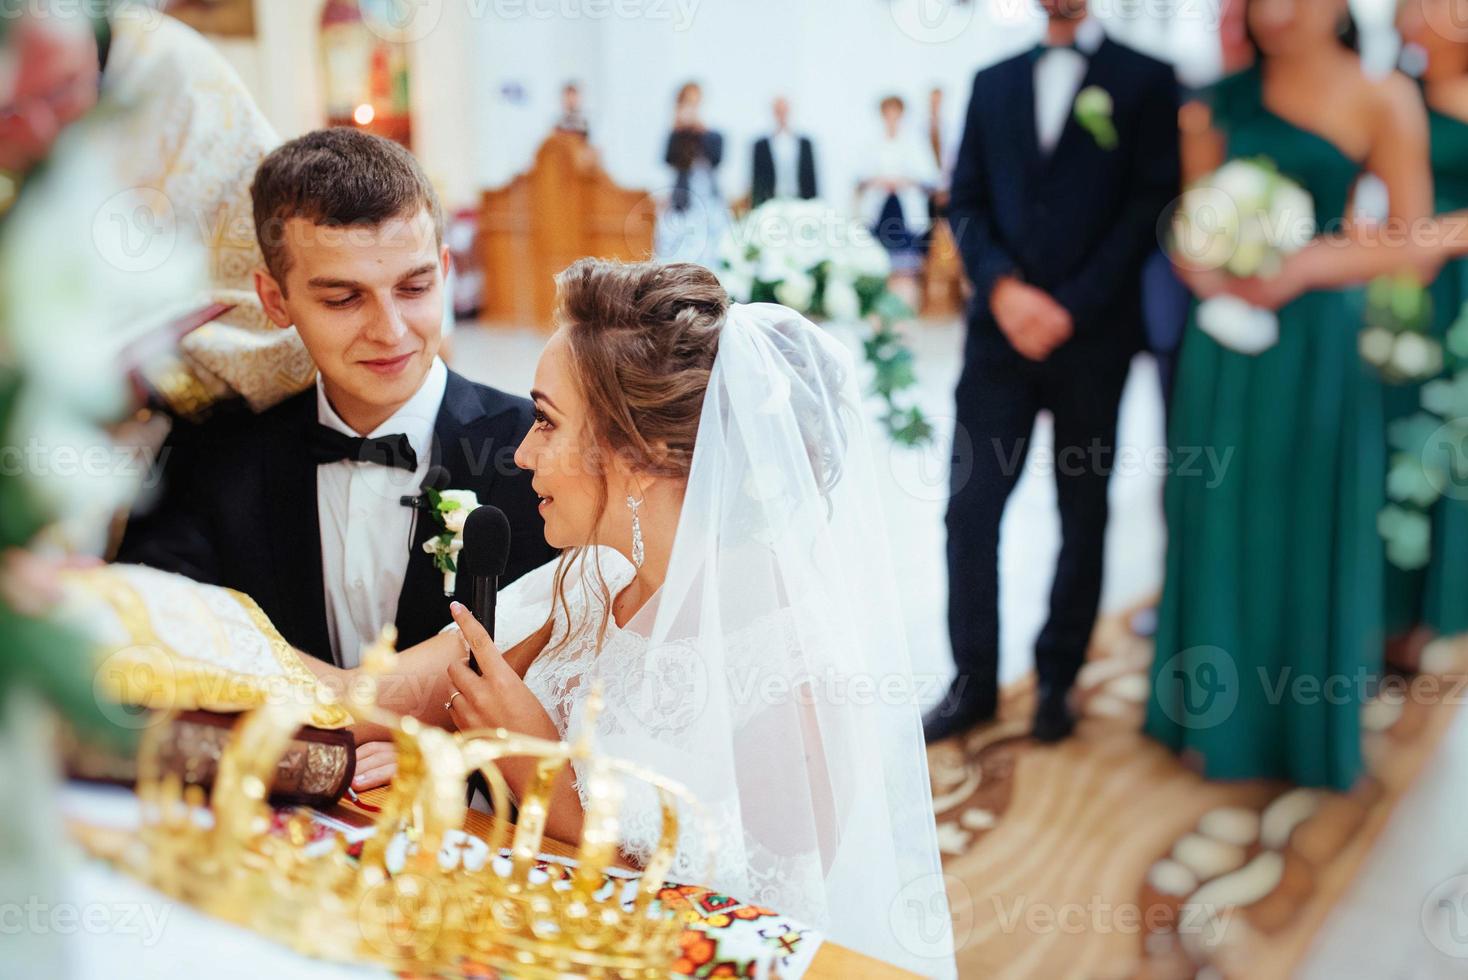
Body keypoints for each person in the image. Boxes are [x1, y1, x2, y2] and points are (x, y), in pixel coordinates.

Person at [308, 260, 955, 976]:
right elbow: (362, 696)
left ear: (641, 455)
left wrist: (531, 763)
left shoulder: (796, 672)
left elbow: (746, 938)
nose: (522, 454)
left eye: (547, 423)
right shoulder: (588, 577)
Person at [117, 128, 556, 667]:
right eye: (344, 299)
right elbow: (155, 624)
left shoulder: (536, 454)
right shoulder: (214, 454)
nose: (391, 331)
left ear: (444, 272)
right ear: (276, 301)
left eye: (414, 288)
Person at [1146, 0, 1432, 789]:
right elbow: (1189, 215)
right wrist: (1202, 262)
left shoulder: (1383, 96)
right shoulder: (1218, 99)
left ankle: (1300, 726)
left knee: (1304, 512)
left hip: (1316, 346)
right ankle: (1210, 716)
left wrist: (1303, 267)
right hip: (1227, 344)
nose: (1275, 12)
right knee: (1219, 510)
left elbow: (1413, 239)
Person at [926, 0, 1180, 743]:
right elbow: (965, 199)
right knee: (969, 512)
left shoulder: (1145, 79)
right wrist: (1003, 289)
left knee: (1083, 510)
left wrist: (1068, 306)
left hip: (1092, 337)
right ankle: (972, 683)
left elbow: (1150, 207)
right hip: (997, 339)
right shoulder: (993, 79)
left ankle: (1058, 680)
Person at [1, 7, 313, 417]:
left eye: (63, 91)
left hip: (203, 426)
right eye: (8, 113)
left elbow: (280, 311)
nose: (40, 132)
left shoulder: (177, 82)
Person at [1383, 0, 1468, 651]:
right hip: (1401, 284)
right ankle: (1390, 605)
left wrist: (1438, 235)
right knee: (1397, 429)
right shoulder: (1393, 90)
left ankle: (1445, 604)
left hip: (1458, 282)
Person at [856, 95, 939, 305]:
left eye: (895, 112)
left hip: (904, 209)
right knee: (879, 263)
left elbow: (930, 176)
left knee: (906, 265)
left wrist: (904, 181)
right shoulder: (871, 141)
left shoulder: (913, 140)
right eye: (887, 112)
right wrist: (879, 181)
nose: (891, 116)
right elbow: (859, 175)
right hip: (880, 209)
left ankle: (905, 307)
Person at [656, 81, 730, 267]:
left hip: (710, 201)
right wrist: (681, 131)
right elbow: (671, 160)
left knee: (714, 251)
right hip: (684, 203)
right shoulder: (677, 135)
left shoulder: (712, 134)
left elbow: (717, 158)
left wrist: (699, 129)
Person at [751, 95, 818, 208]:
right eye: (778, 111)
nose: (781, 115)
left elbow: (811, 178)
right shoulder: (760, 146)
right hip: (770, 204)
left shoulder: (805, 144)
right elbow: (757, 181)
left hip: (801, 202)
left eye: (784, 110)